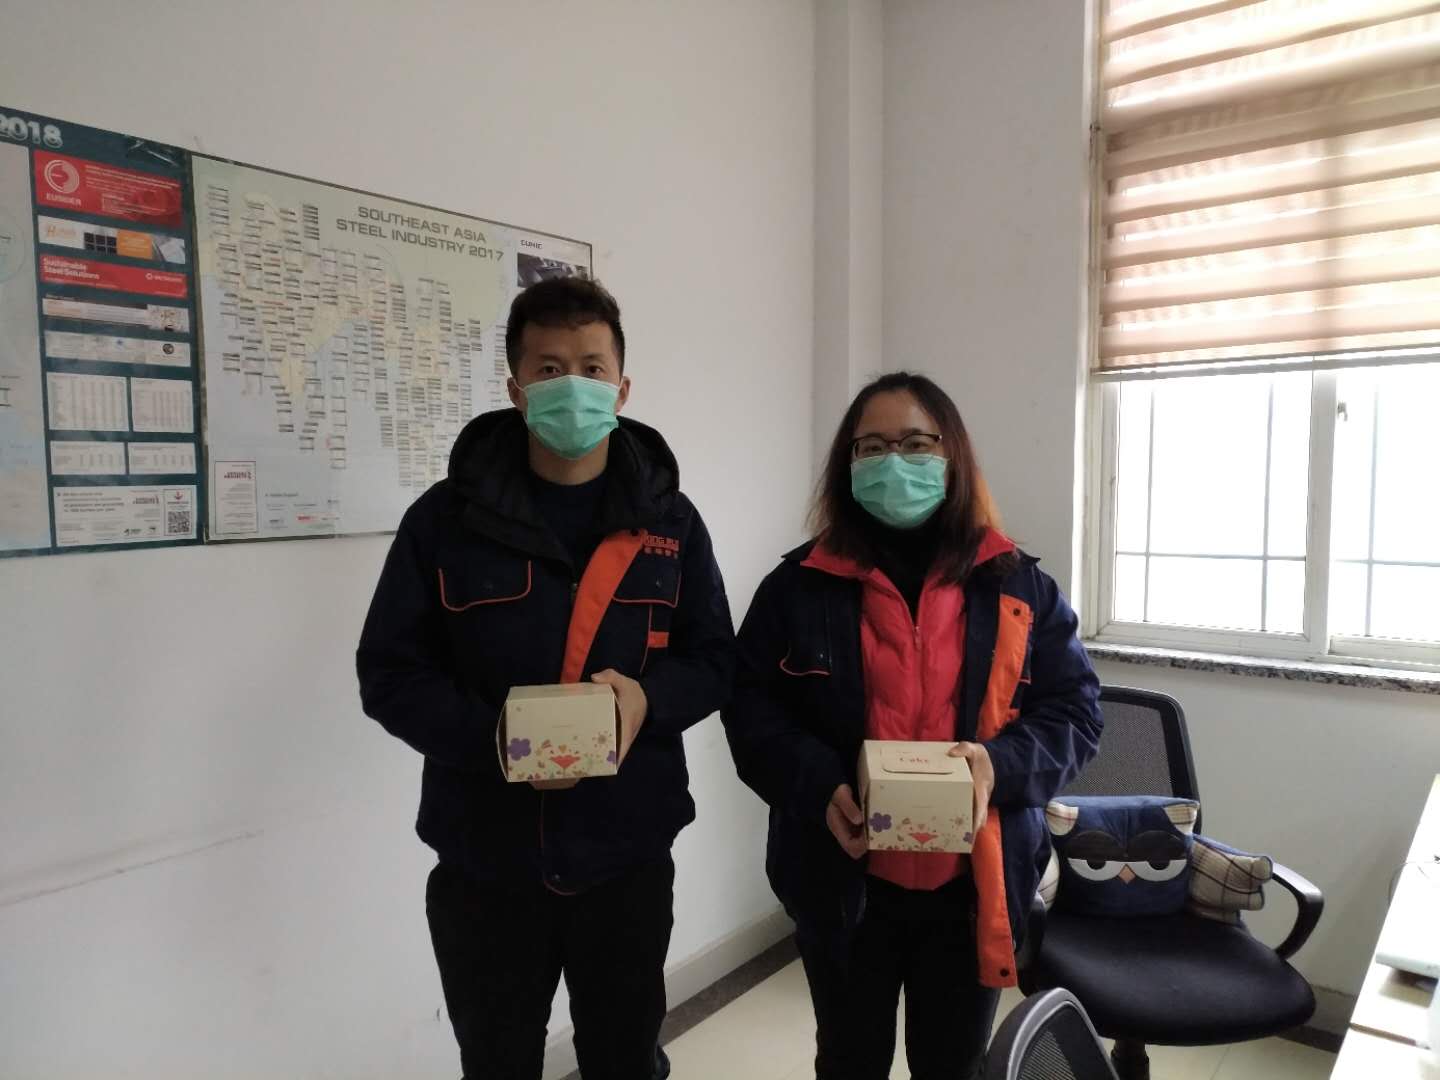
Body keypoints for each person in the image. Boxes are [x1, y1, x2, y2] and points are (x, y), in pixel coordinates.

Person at [357, 276, 735, 1080]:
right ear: (516, 388)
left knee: (624, 1061)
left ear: (622, 389)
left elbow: (715, 659)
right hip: (486, 864)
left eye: (592, 369)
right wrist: (493, 738)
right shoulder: (443, 521)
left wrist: (648, 700)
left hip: (627, 857)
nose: (573, 386)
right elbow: (388, 672)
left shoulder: (670, 522)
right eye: (550, 368)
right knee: (497, 1064)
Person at [723, 371, 1101, 1080]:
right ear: (847, 465)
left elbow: (1076, 713)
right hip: (843, 881)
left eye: (917, 444)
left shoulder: (1018, 586)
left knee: (952, 1065)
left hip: (972, 887)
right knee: (849, 1061)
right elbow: (750, 709)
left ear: (953, 457)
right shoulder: (798, 587)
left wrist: (999, 765)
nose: (893, 463)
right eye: (871, 447)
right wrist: (820, 785)